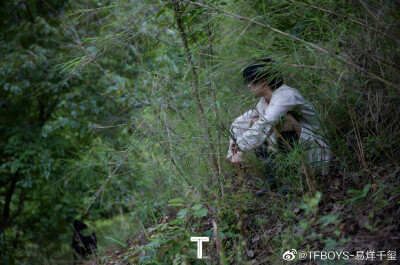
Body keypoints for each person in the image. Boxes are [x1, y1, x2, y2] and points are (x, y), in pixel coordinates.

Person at [227, 58, 331, 196]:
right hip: (298, 150)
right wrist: (235, 152)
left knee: (282, 120)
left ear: (263, 80)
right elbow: (238, 124)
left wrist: (239, 146)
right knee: (254, 120)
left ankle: (292, 179)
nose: (248, 86)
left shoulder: (286, 95)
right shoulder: (263, 103)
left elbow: (266, 123)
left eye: (251, 81)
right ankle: (273, 180)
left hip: (315, 153)